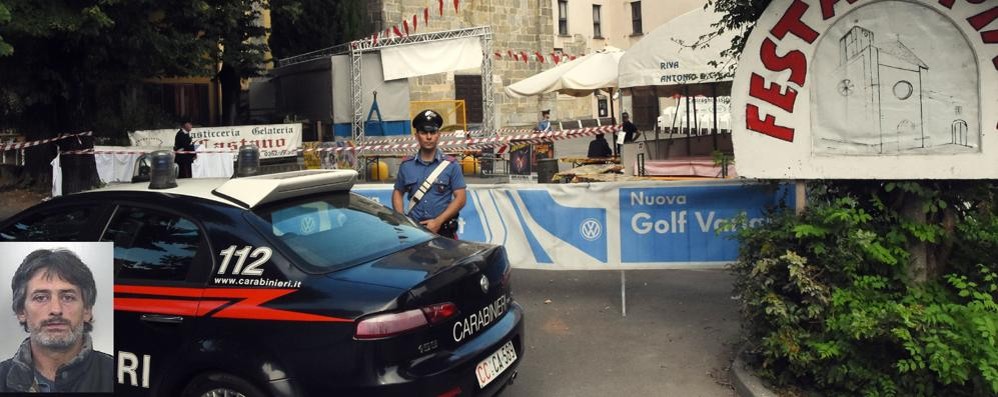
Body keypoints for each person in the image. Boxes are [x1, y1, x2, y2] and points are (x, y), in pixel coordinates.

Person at [0, 249, 113, 392]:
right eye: (41, 297)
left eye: (68, 297)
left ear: (87, 310)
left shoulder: (115, 375)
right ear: (21, 311)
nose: (56, 309)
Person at [392, 109, 467, 238]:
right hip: (414, 231)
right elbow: (398, 192)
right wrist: (402, 220)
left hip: (443, 231)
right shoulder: (406, 165)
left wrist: (438, 222)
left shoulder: (451, 165)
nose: (428, 137)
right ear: (416, 136)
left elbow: (461, 198)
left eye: (432, 132)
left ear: (439, 135)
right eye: (424, 132)